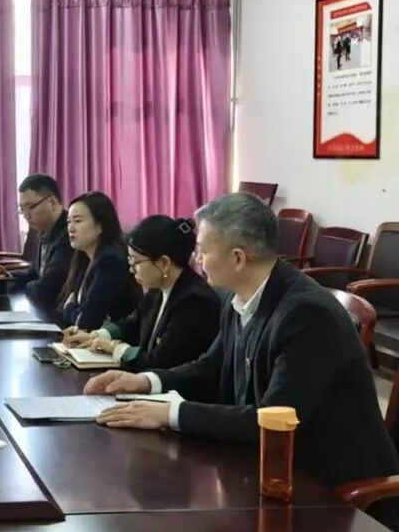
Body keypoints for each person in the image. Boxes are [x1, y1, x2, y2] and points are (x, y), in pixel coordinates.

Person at [87, 193, 399, 510]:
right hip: (268, 469)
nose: (196, 259)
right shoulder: (239, 298)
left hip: (332, 491)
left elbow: (271, 420)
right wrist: (147, 381)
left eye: (203, 250)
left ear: (237, 258)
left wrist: (169, 413)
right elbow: (211, 367)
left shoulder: (306, 314)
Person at [63, 215, 221, 372]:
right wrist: (96, 336)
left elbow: (160, 362)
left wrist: (114, 348)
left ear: (164, 263)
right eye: (130, 261)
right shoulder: (157, 290)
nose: (131, 269)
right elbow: (132, 323)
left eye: (136, 262)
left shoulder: (194, 302)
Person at [55, 192, 137, 331]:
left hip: (112, 340)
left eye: (78, 221)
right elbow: (62, 304)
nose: (71, 228)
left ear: (100, 225)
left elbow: (87, 322)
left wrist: (70, 308)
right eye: (69, 222)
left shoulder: (111, 262)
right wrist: (72, 309)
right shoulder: (84, 257)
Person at [0, 173, 72, 310]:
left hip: (61, 312)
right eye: (22, 209)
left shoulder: (70, 234)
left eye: (30, 207)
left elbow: (46, 289)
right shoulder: (43, 230)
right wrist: (7, 278)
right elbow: (35, 273)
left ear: (52, 202)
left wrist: (16, 285)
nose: (26, 215)